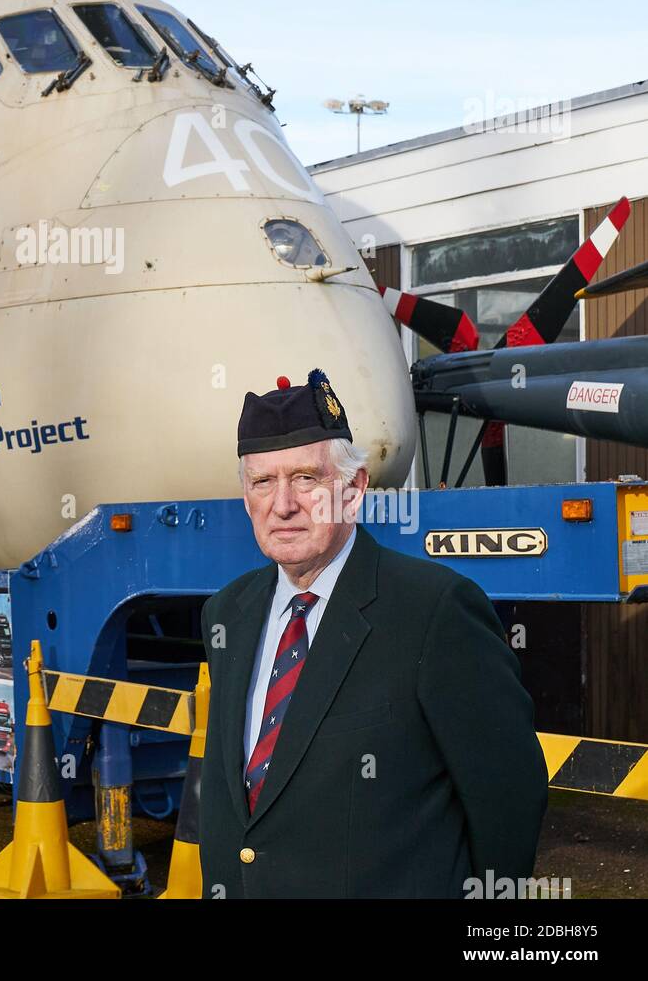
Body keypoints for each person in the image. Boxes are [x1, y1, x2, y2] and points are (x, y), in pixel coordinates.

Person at [198, 369, 548, 899]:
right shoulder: (228, 613)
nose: (283, 503)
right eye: (263, 482)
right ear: (246, 496)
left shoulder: (434, 612)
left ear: (354, 488)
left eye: (306, 478)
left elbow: (508, 798)